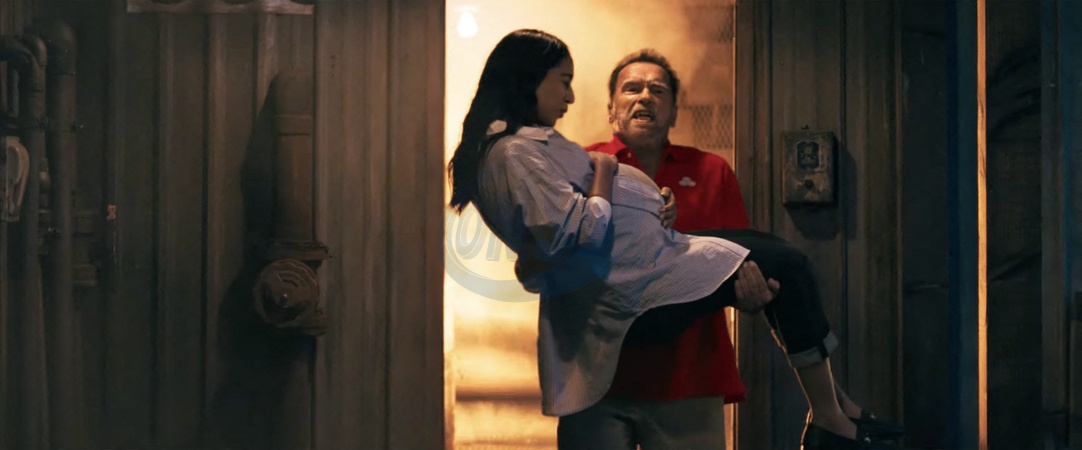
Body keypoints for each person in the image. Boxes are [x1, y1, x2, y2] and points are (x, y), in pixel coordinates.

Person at [447, 29, 893, 450]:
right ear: (611, 109)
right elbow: (560, 236)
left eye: (658, 90)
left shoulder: (711, 170)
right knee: (787, 263)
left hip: (686, 377)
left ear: (676, 111)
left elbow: (742, 265)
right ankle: (831, 416)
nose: (645, 96)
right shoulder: (570, 157)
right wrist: (613, 186)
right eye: (632, 88)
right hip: (610, 360)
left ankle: (835, 409)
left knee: (779, 260)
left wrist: (652, 210)